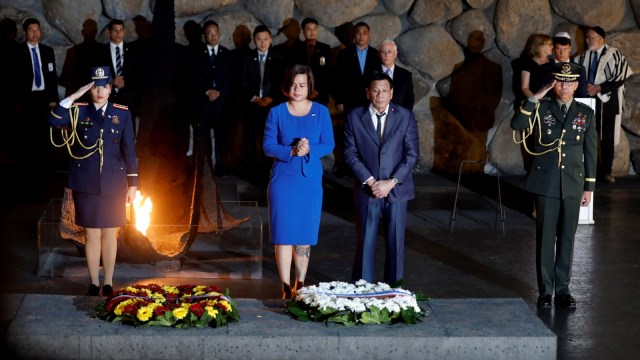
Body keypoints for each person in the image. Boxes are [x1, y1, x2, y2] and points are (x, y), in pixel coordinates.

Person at [47, 66, 139, 296]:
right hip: (85, 181)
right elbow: (53, 119)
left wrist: (134, 184)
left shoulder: (122, 113)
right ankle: (93, 282)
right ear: (90, 90)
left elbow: (129, 150)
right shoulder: (78, 111)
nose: (100, 91)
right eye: (95, 87)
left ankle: (108, 282)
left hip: (113, 182)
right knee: (91, 235)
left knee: (110, 234)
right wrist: (73, 96)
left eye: (104, 87)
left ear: (110, 89)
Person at [511, 62, 597, 309]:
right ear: (553, 83)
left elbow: (590, 153)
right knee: (546, 238)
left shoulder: (585, 113)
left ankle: (563, 290)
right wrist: (535, 96)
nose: (565, 86)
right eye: (560, 81)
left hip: (572, 183)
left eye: (569, 82)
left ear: (577, 84)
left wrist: (589, 187)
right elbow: (517, 126)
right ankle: (545, 291)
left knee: (568, 238)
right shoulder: (541, 108)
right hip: (546, 182)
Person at [263, 64, 335, 299]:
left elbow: (329, 144)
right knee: (283, 234)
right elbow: (268, 146)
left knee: (304, 234)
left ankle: (300, 282)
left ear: (309, 87)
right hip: (283, 181)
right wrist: (292, 151)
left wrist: (309, 148)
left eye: (302, 85)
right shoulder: (277, 112)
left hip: (309, 182)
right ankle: (284, 285)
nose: (297, 89)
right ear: (287, 86)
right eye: (294, 84)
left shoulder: (321, 111)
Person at [343, 71, 419, 285]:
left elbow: (412, 154)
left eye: (385, 90)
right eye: (375, 90)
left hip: (396, 191)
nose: (380, 94)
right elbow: (349, 154)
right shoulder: (354, 116)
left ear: (391, 93)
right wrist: (371, 181)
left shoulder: (405, 116)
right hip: (368, 190)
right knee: (365, 244)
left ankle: (393, 293)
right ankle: (362, 294)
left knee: (395, 245)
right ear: (368, 93)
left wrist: (391, 182)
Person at [575, 26, 632, 183]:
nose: (587, 40)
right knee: (587, 135)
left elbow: (621, 77)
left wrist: (600, 87)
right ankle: (587, 171)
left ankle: (606, 171)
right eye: (587, 37)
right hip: (587, 100)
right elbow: (576, 74)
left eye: (590, 37)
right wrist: (585, 86)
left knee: (607, 138)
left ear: (601, 38)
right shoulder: (582, 57)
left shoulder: (615, 55)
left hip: (607, 102)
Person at [241, 25, 285, 185]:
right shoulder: (247, 58)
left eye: (265, 39)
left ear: (270, 40)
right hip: (252, 105)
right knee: (251, 139)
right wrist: (253, 98)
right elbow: (243, 82)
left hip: (271, 106)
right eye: (259, 39)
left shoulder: (278, 58)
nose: (262, 42)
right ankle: (252, 172)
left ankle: (269, 171)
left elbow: (281, 83)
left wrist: (271, 99)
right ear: (254, 40)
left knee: (270, 139)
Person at [15, 18, 59, 168]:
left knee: (44, 134)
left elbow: (52, 77)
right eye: (31, 30)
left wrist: (53, 99)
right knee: (27, 134)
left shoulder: (48, 51)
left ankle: (44, 166)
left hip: (44, 99)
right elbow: (13, 78)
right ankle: (27, 166)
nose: (35, 33)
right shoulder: (17, 51)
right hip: (27, 99)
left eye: (37, 30)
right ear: (25, 32)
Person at [195, 20, 235, 176]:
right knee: (203, 137)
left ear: (219, 33)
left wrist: (219, 92)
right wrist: (207, 91)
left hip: (222, 104)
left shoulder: (227, 54)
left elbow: (231, 78)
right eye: (209, 33)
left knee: (222, 138)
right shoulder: (197, 54)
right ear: (204, 36)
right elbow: (194, 77)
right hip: (204, 103)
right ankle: (204, 167)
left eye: (215, 33)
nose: (213, 36)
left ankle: (221, 168)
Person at [333, 22, 381, 114]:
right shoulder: (344, 54)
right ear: (354, 34)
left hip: (371, 100)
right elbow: (337, 78)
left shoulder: (376, 54)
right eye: (358, 33)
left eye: (364, 33)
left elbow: (379, 78)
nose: (361, 36)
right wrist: (339, 100)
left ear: (369, 34)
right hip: (349, 101)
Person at [289, 17, 332, 106]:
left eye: (315, 29)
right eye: (308, 29)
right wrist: (307, 89)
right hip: (300, 93)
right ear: (303, 31)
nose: (312, 32)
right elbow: (293, 71)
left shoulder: (325, 49)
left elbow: (328, 72)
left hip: (320, 94)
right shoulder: (296, 49)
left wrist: (316, 90)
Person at [540, 32, 587, 98]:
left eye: (565, 49)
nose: (562, 53)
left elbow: (582, 95)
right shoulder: (544, 69)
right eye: (558, 49)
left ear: (570, 48)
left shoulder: (579, 70)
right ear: (554, 48)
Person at [378, 39, 414, 110]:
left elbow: (409, 100)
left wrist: (403, 117)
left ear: (395, 54)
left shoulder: (406, 75)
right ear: (379, 54)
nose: (386, 55)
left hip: (399, 117)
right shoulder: (370, 73)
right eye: (383, 52)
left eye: (389, 52)